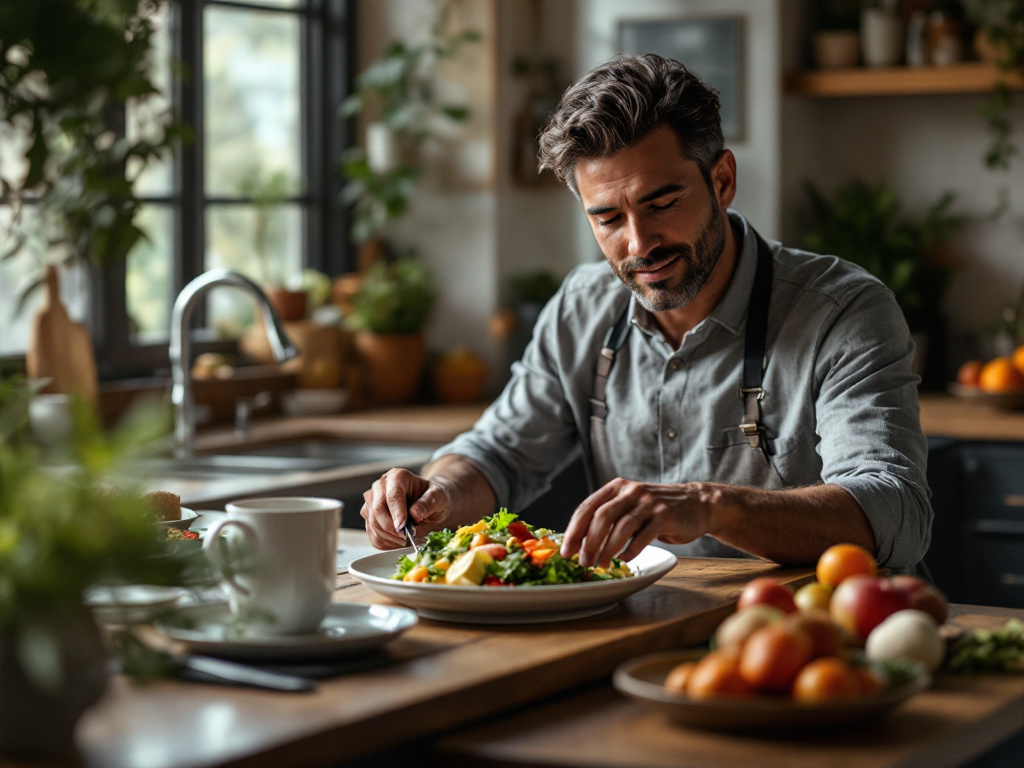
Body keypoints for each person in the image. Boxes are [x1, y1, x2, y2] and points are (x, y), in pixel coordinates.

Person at [360, 53, 932, 572]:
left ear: (723, 180)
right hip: (642, 628)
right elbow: (500, 453)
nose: (639, 244)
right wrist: (436, 491)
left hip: (804, 642)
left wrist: (710, 505)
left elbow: (892, 511)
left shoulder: (844, 311)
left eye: (662, 204)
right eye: (608, 218)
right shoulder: (582, 308)